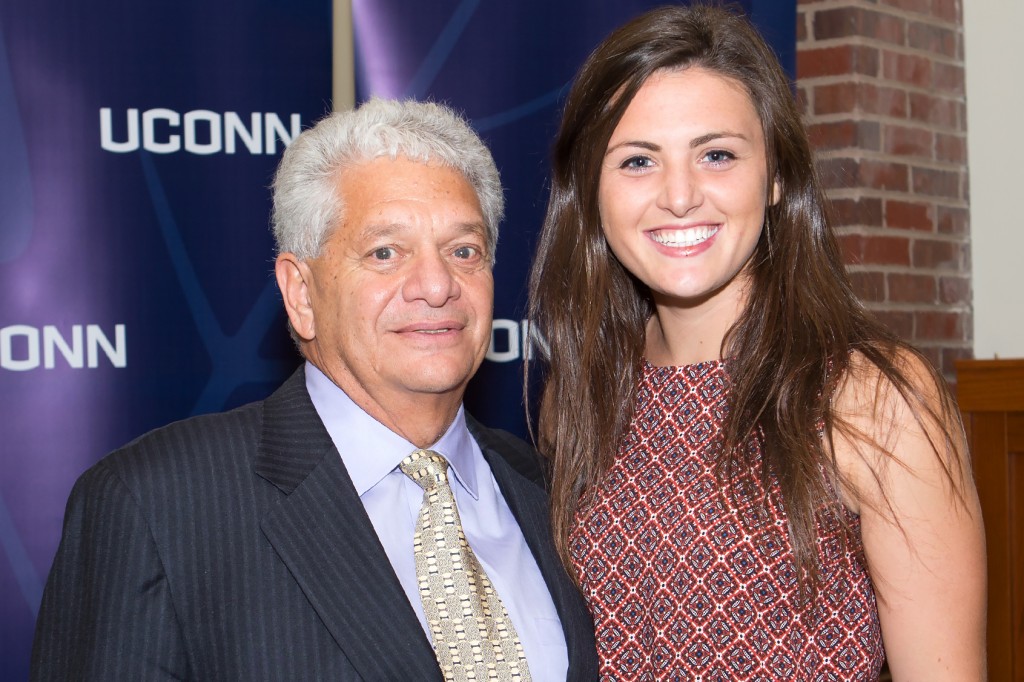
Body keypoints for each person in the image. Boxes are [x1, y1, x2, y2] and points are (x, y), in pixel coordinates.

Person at [31, 98, 598, 681]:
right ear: (300, 293)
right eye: (385, 253)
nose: (437, 285)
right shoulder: (155, 504)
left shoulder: (553, 495)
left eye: (464, 251)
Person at [527, 5, 986, 681]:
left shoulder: (870, 398)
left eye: (717, 155)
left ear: (775, 177)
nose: (680, 196)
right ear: (591, 191)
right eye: (637, 161)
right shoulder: (582, 389)